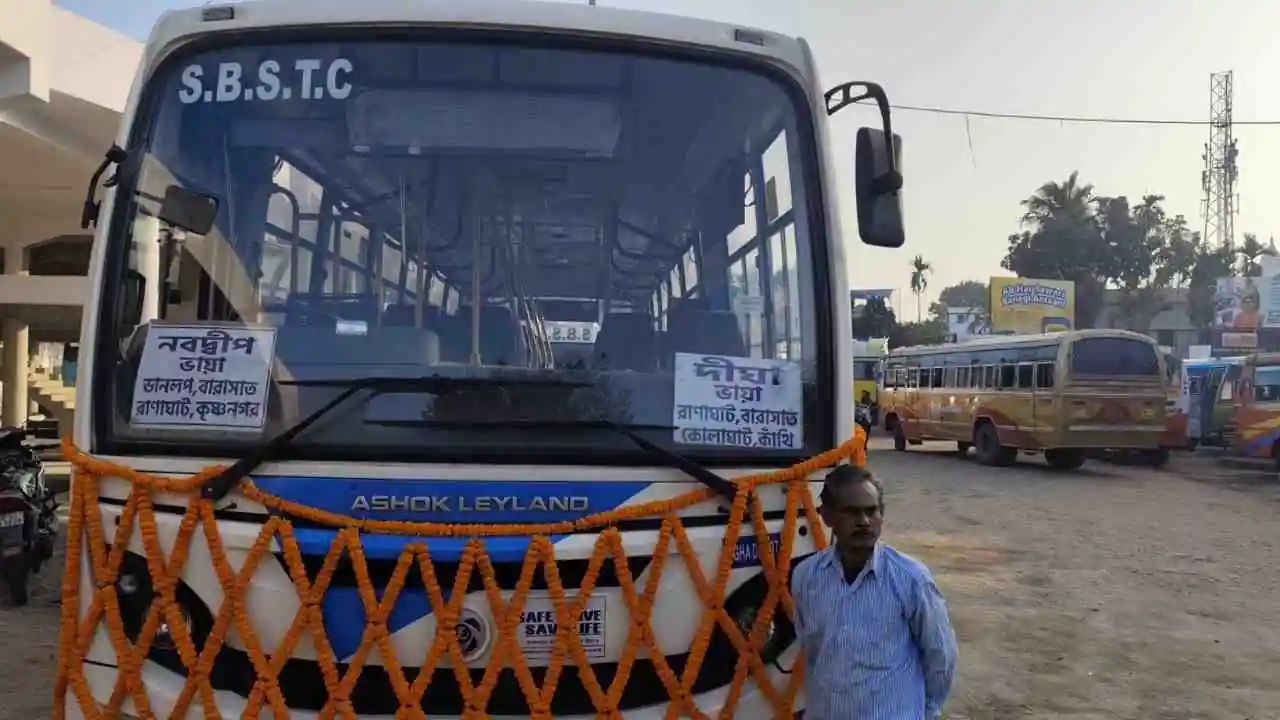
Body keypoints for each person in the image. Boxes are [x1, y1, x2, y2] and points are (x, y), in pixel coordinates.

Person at [791, 464, 957, 719]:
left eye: (872, 511)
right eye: (851, 512)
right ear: (827, 516)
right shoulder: (806, 576)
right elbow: (812, 651)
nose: (864, 522)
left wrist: (925, 712)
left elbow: (940, 657)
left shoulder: (911, 579)